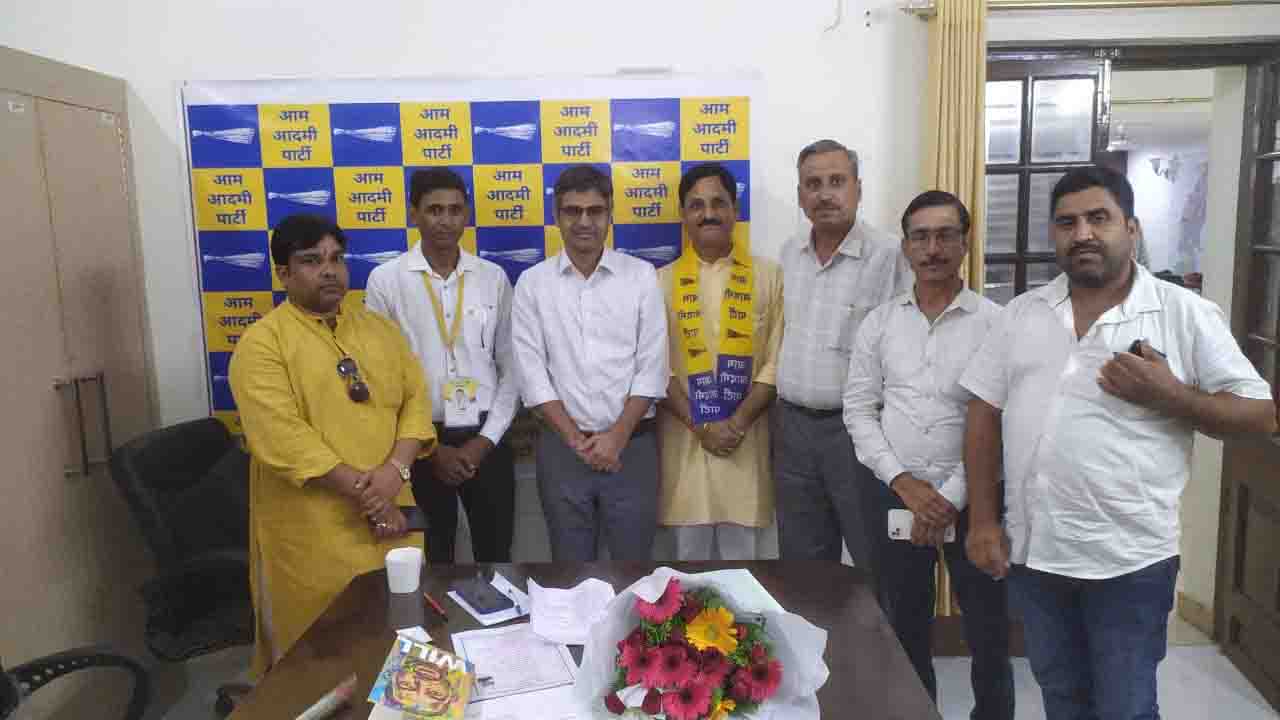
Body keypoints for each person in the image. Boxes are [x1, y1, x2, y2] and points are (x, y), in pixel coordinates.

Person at [962, 166, 1277, 720]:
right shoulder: (1022, 314)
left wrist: (1173, 396)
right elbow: (984, 412)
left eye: (1098, 218)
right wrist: (984, 520)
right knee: (1062, 699)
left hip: (1129, 563)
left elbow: (1261, 416)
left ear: (1131, 229)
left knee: (1125, 708)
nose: (1082, 233)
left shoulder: (1182, 313)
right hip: (1037, 554)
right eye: (1067, 223)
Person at [230, 214, 436, 677]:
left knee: (400, 651)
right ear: (283, 274)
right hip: (314, 536)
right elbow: (284, 439)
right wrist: (373, 497)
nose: (329, 271)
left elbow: (416, 401)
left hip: (392, 523)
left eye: (336, 258)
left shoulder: (379, 330)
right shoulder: (262, 344)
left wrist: (395, 473)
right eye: (311, 261)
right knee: (319, 665)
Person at [845, 191, 1013, 717]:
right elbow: (859, 409)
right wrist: (905, 484)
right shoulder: (879, 323)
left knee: (989, 630)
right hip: (894, 494)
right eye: (921, 236)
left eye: (945, 235)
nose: (933, 248)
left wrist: (948, 498)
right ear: (906, 247)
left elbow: (1003, 420)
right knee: (903, 626)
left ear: (965, 243)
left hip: (978, 500)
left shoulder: (997, 323)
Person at [511, 165, 668, 561]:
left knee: (634, 568)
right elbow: (532, 375)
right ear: (556, 215)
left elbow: (652, 367)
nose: (584, 221)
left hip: (632, 447)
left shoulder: (640, 277)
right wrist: (575, 440)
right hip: (562, 450)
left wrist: (616, 437)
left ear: (610, 214)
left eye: (595, 211)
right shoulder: (532, 283)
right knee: (570, 570)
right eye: (573, 211)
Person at [366, 168, 519, 564]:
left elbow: (512, 368)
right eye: (434, 210)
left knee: (496, 555)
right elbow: (382, 378)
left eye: (454, 210)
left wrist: (484, 443)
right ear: (413, 213)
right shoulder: (386, 281)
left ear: (466, 213)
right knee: (431, 558)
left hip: (486, 437)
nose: (445, 221)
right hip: (417, 442)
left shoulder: (492, 278)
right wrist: (431, 451)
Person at [775, 139, 911, 575]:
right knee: (802, 565)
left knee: (874, 559)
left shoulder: (890, 255)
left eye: (837, 181)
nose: (825, 194)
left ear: (858, 189)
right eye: (813, 184)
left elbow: (908, 348)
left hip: (857, 433)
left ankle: (876, 626)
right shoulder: (790, 253)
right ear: (801, 196)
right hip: (792, 429)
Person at [656, 163, 783, 560]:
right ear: (683, 214)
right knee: (685, 575)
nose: (708, 213)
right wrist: (702, 427)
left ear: (735, 209)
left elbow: (778, 360)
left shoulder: (769, 276)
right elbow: (654, 369)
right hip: (685, 450)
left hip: (745, 448)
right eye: (696, 205)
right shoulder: (659, 282)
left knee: (744, 573)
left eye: (718, 203)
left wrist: (737, 423)